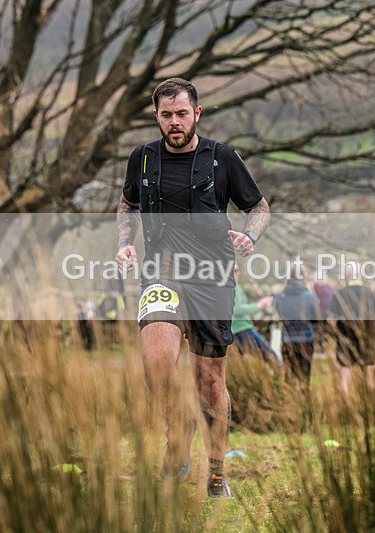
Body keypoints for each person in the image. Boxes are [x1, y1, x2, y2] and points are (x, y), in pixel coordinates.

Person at [115, 78, 270, 499]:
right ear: (156, 117)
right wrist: (125, 242)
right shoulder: (143, 159)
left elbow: (258, 206)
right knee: (158, 364)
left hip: (213, 277)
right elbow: (128, 203)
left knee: (210, 382)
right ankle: (177, 434)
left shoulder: (222, 158)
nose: (174, 122)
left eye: (182, 113)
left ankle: (217, 472)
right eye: (166, 115)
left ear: (196, 113)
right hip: (161, 272)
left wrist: (250, 237)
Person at [328, 261, 375, 394]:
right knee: (370, 378)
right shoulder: (370, 293)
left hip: (345, 340)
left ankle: (346, 409)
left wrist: (338, 333)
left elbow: (331, 320)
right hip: (366, 339)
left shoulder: (339, 293)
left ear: (346, 276)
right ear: (360, 276)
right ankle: (372, 406)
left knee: (345, 379)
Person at [274, 263, 319, 389]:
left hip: (287, 340)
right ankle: (304, 404)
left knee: (289, 377)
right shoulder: (309, 296)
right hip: (306, 340)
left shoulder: (279, 296)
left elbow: (280, 315)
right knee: (305, 378)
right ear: (303, 276)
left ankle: (290, 403)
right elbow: (316, 320)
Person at [231, 264, 278, 364]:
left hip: (235, 331)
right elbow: (237, 309)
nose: (238, 273)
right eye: (235, 270)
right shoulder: (233, 286)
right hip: (242, 330)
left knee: (238, 364)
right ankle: (281, 378)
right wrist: (260, 305)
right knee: (272, 357)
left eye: (238, 270)